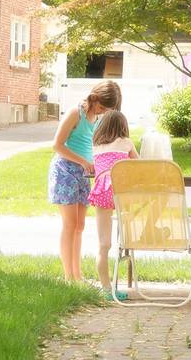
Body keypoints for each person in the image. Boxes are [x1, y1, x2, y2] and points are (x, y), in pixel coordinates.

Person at [48, 80, 121, 281]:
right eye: (103, 107)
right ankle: (68, 276)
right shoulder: (75, 113)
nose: (104, 112)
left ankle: (77, 276)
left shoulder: (96, 118)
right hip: (65, 172)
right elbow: (57, 145)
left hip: (83, 174)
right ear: (95, 98)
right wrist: (82, 161)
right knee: (70, 225)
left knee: (80, 225)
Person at [88, 110, 138, 301]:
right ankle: (139, 236)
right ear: (123, 127)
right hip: (121, 190)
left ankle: (106, 289)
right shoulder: (126, 143)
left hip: (102, 190)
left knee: (103, 244)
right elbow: (140, 165)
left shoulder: (96, 145)